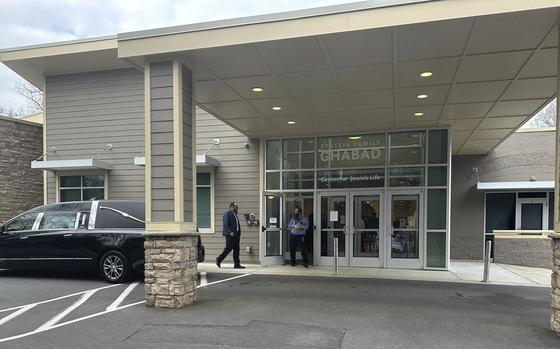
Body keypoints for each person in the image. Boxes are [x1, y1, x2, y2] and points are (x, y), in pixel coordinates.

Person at [216, 202, 245, 269]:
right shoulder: (227, 214)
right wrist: (229, 232)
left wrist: (238, 233)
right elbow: (225, 224)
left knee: (236, 250)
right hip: (230, 235)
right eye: (236, 206)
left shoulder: (235, 215)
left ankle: (237, 264)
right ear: (232, 207)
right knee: (228, 248)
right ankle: (219, 259)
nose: (237, 208)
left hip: (236, 235)